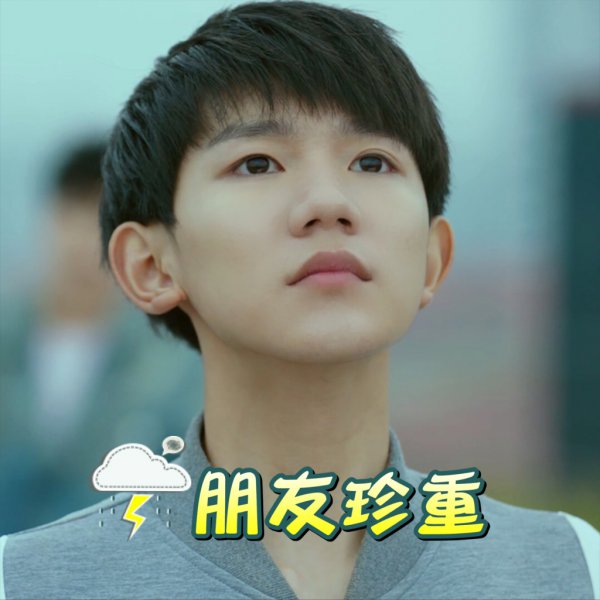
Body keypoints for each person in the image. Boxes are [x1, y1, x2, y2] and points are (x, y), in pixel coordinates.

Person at [1, 2, 598, 599]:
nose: (328, 203)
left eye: (372, 161)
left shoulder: (571, 567)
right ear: (150, 266)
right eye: (257, 164)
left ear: (431, 257)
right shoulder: (27, 580)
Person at [0, 140, 202, 535]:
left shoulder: (170, 364)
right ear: (46, 217)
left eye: (101, 224)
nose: (83, 243)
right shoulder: (8, 336)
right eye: (71, 214)